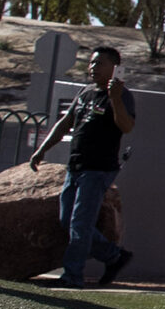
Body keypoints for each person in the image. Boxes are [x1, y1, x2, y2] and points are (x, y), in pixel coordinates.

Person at [30, 45, 136, 288]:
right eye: (91, 63)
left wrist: (115, 99)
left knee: (80, 223)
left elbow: (127, 126)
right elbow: (65, 123)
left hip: (98, 169)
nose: (93, 68)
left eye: (99, 63)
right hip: (76, 165)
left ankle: (72, 276)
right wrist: (42, 150)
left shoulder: (121, 96)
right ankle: (114, 256)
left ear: (115, 68)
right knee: (68, 220)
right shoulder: (85, 92)